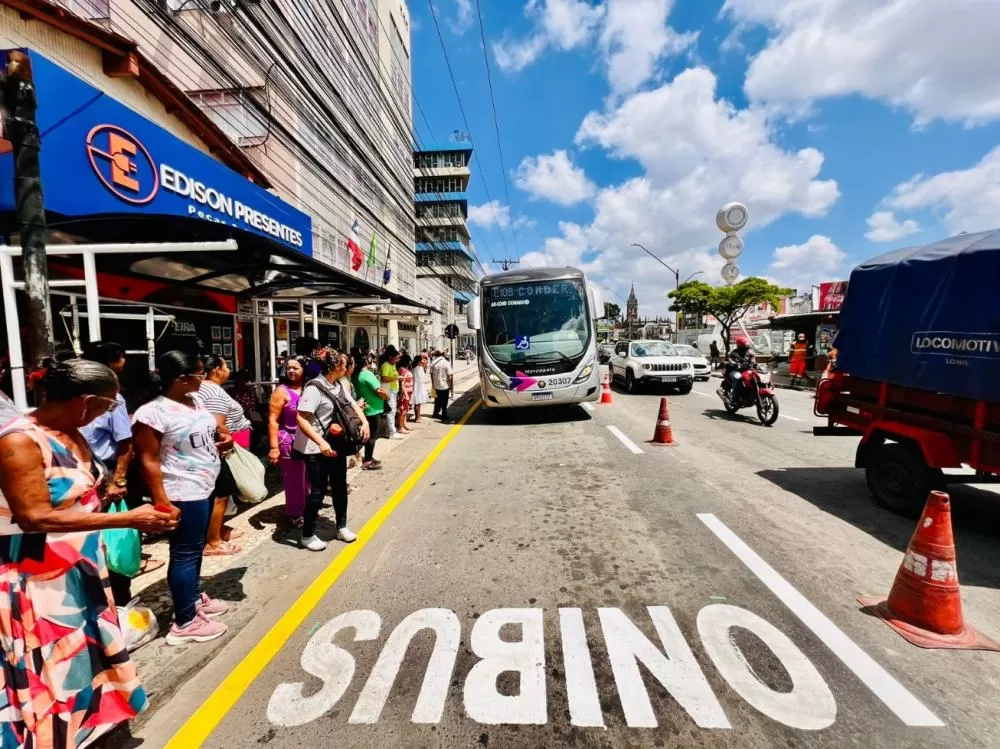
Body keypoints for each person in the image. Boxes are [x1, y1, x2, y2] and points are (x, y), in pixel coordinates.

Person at [0, 358, 180, 746]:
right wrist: (128, 519)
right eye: (108, 405)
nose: (109, 413)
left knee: (81, 657)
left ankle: (83, 726)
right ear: (85, 402)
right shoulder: (19, 441)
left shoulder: (69, 431)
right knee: (49, 664)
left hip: (77, 567)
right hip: (38, 576)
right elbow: (33, 517)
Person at [133, 351, 233, 646]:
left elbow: (203, 435)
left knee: (195, 548)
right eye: (200, 374)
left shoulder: (196, 400)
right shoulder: (153, 413)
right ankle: (185, 621)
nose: (205, 378)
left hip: (204, 485)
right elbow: (148, 460)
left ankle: (192, 598)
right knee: (185, 553)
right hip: (181, 492)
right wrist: (161, 501)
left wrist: (221, 441)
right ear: (181, 378)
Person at [79, 341, 164, 606]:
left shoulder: (113, 399)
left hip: (107, 476)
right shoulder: (104, 399)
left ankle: (120, 600)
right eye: (122, 357)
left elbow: (125, 443)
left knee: (115, 535)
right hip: (85, 480)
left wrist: (119, 479)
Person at [293, 350, 368, 550]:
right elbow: (301, 418)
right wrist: (320, 442)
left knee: (340, 486)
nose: (347, 367)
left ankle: (341, 527)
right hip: (315, 447)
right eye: (344, 364)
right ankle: (307, 535)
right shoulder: (314, 388)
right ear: (335, 367)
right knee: (317, 492)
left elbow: (354, 405)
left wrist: (365, 422)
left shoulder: (340, 385)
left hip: (337, 444)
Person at [196, 355, 249, 557]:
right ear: (217, 369)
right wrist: (227, 439)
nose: (228, 370)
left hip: (208, 450)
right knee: (221, 494)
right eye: (226, 366)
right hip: (217, 450)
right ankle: (213, 541)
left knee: (214, 494)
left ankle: (217, 529)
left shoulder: (201, 388)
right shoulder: (215, 392)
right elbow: (218, 425)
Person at [267, 355, 309, 528]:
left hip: (309, 440)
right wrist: (274, 447)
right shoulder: (281, 391)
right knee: (294, 480)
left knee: (308, 477)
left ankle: (307, 507)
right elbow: (272, 420)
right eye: (289, 367)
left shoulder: (309, 388)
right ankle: (294, 513)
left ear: (304, 370)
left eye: (295, 368)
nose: (291, 371)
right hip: (288, 441)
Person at [355, 354, 387, 471]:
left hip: (366, 408)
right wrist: (386, 396)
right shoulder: (367, 374)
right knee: (372, 436)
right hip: (372, 408)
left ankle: (368, 457)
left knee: (368, 435)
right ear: (368, 363)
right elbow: (379, 390)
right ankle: (368, 460)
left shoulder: (357, 375)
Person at [379, 345, 403, 440]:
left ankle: (391, 430)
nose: (397, 360)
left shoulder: (392, 365)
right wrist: (397, 378)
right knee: (391, 411)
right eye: (396, 358)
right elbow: (384, 378)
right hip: (389, 391)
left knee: (392, 411)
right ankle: (391, 432)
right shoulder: (385, 366)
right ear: (390, 357)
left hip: (394, 390)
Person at [725, 337, 756, 401]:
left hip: (747, 370)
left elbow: (753, 360)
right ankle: (735, 396)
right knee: (738, 378)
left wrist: (754, 364)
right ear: (740, 346)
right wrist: (735, 364)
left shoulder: (750, 352)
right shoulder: (734, 353)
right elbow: (731, 360)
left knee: (756, 377)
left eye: (747, 347)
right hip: (735, 370)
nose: (746, 348)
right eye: (745, 347)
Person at [431, 350, 454, 423]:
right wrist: (450, 385)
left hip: (436, 385)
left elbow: (431, 374)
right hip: (444, 385)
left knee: (437, 400)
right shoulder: (446, 363)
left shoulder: (433, 363)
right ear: (443, 355)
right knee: (444, 401)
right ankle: (444, 414)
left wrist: (433, 384)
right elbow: (449, 376)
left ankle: (435, 413)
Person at [397, 353, 414, 434]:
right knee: (402, 410)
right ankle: (400, 427)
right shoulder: (403, 370)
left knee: (405, 409)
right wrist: (405, 394)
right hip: (405, 393)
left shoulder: (404, 369)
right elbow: (402, 383)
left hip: (408, 392)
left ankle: (404, 424)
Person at [411, 352, 430, 423]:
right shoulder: (418, 368)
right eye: (422, 360)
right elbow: (421, 379)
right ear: (419, 361)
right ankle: (417, 417)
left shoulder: (419, 368)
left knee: (419, 403)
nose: (423, 361)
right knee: (417, 403)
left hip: (419, 387)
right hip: (418, 387)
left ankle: (419, 416)